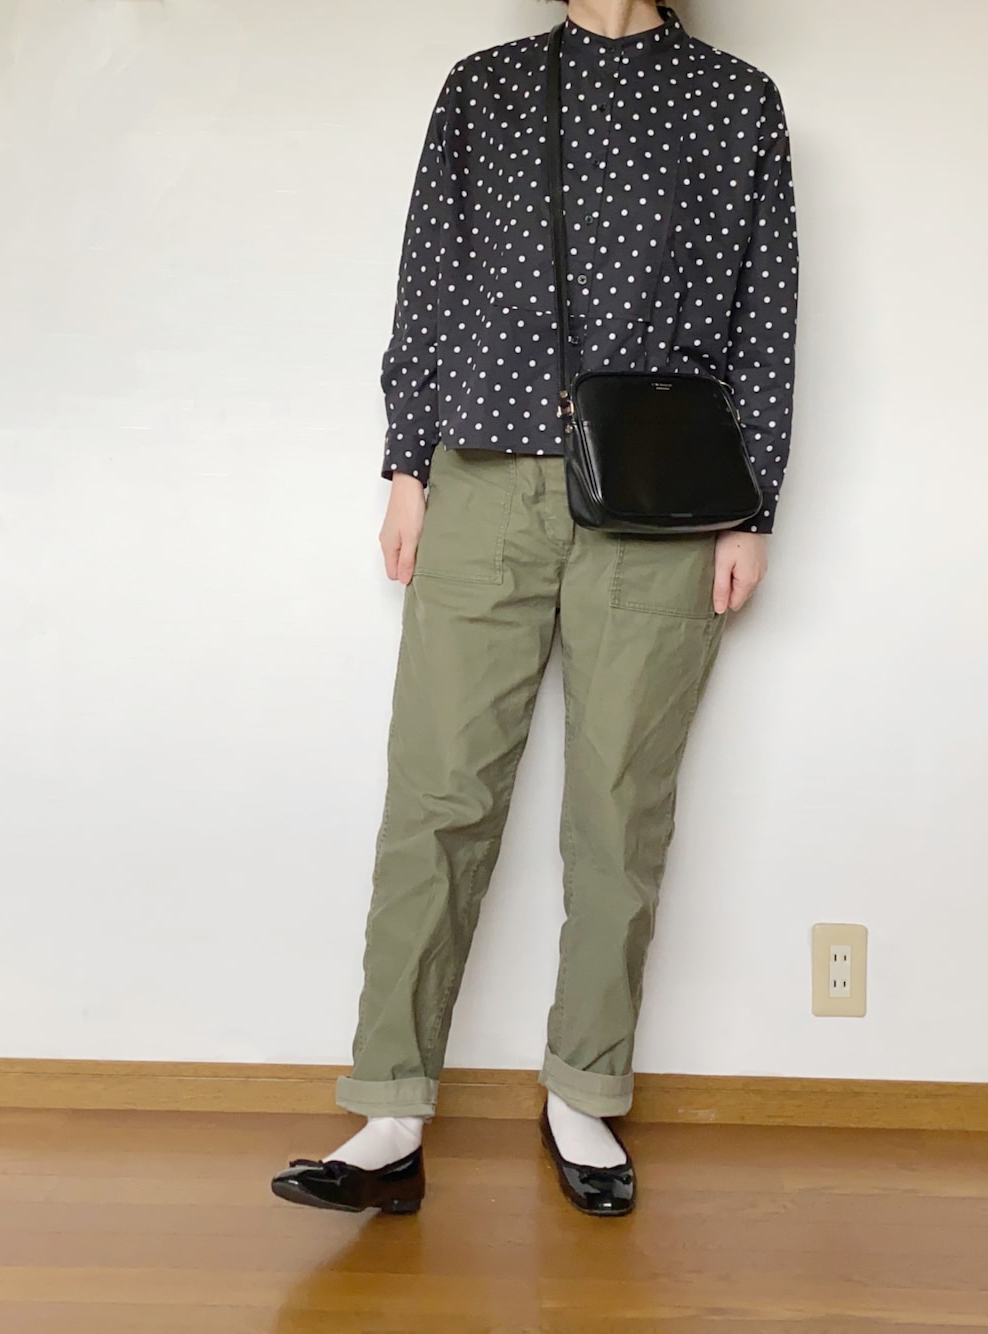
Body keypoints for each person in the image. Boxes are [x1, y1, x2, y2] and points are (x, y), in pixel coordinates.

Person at [271, 0, 798, 1218]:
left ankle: (583, 1090)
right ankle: (390, 1109)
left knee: (621, 805)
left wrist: (753, 506)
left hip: (661, 501)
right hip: (481, 478)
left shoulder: (737, 102)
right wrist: (406, 466)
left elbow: (764, 315)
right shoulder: (486, 88)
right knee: (438, 792)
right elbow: (429, 274)